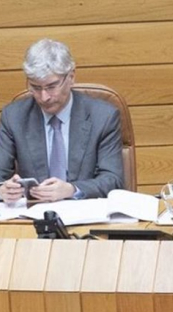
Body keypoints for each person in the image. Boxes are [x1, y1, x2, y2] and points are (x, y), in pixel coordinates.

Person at [0, 39, 124, 202]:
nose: (44, 97)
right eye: (36, 87)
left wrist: (72, 189)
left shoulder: (103, 117)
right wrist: (3, 190)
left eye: (51, 86)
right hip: (33, 213)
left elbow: (113, 180)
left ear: (71, 77)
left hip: (84, 212)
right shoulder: (14, 117)